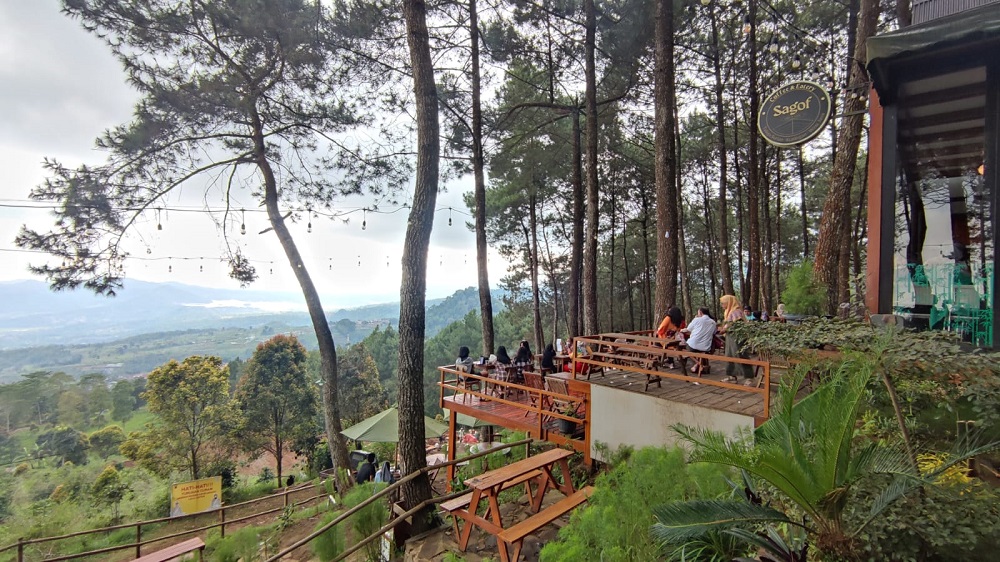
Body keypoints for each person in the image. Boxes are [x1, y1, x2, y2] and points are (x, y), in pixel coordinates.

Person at [720, 295, 755, 384]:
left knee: (741, 355)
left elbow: (737, 325)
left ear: (729, 302)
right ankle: (732, 376)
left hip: (737, 338)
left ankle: (749, 377)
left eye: (723, 303)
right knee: (729, 355)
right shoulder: (728, 312)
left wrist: (725, 329)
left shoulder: (736, 312)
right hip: (730, 337)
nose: (722, 305)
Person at [683, 307, 717, 374]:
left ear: (700, 312)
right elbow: (714, 333)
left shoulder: (697, 320)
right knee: (701, 351)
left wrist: (681, 330)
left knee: (684, 347)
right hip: (706, 347)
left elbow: (688, 329)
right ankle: (698, 365)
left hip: (693, 346)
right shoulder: (713, 322)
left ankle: (698, 365)